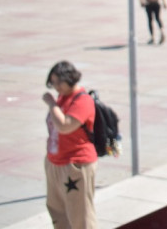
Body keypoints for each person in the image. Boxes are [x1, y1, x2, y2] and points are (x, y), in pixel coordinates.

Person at [43, 60, 98, 228]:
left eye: (59, 82)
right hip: (56, 163)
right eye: (53, 82)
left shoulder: (82, 100)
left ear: (70, 78)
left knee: (80, 216)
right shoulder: (63, 97)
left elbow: (65, 126)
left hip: (75, 165)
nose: (55, 86)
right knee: (58, 212)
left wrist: (51, 104)